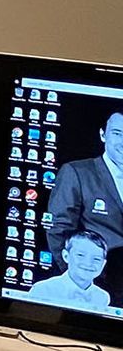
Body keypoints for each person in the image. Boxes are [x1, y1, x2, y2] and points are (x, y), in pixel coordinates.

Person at [44, 106, 123, 263]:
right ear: (103, 135)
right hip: (97, 279)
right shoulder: (77, 172)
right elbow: (58, 230)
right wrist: (78, 279)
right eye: (117, 133)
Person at [25, 224, 120, 314]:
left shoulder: (102, 297)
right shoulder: (44, 289)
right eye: (80, 255)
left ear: (103, 264)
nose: (88, 263)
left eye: (96, 259)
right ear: (66, 256)